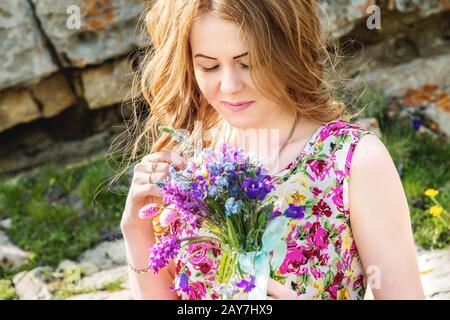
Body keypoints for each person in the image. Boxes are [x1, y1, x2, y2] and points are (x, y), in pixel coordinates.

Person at [119, 0, 425, 300]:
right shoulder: (186, 163)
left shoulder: (353, 162)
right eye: (209, 66)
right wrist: (136, 232)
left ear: (287, 51)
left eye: (248, 63)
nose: (229, 85)